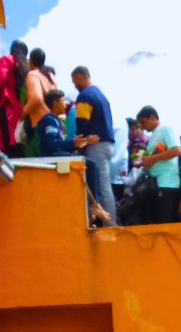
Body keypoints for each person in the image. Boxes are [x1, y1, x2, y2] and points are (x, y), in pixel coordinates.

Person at [38, 90, 111, 225]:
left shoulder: (55, 121)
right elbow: (50, 144)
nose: (64, 104)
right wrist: (73, 143)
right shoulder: (49, 120)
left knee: (90, 165)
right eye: (62, 100)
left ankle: (93, 205)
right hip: (51, 156)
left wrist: (83, 141)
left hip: (57, 154)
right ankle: (94, 204)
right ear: (55, 102)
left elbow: (61, 144)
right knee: (91, 165)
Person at [71, 66, 117, 225]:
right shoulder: (101, 96)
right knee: (105, 184)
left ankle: (111, 225)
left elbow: (82, 123)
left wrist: (80, 143)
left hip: (96, 145)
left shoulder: (84, 96)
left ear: (81, 77)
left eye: (75, 81)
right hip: (108, 144)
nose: (74, 85)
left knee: (102, 187)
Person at [136, 105, 181, 224]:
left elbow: (176, 150)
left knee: (164, 221)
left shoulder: (165, 129)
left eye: (144, 122)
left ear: (152, 117)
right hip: (156, 183)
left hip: (166, 182)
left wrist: (152, 158)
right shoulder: (154, 135)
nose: (143, 127)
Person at [0, 40, 28, 156]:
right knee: (17, 142)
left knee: (8, 143)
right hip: (20, 109)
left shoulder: (7, 59)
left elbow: (1, 78)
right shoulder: (25, 66)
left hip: (8, 107)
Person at [22, 48, 57, 155]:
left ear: (31, 61)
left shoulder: (33, 75)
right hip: (54, 122)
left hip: (39, 125)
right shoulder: (50, 75)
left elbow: (36, 98)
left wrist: (23, 114)